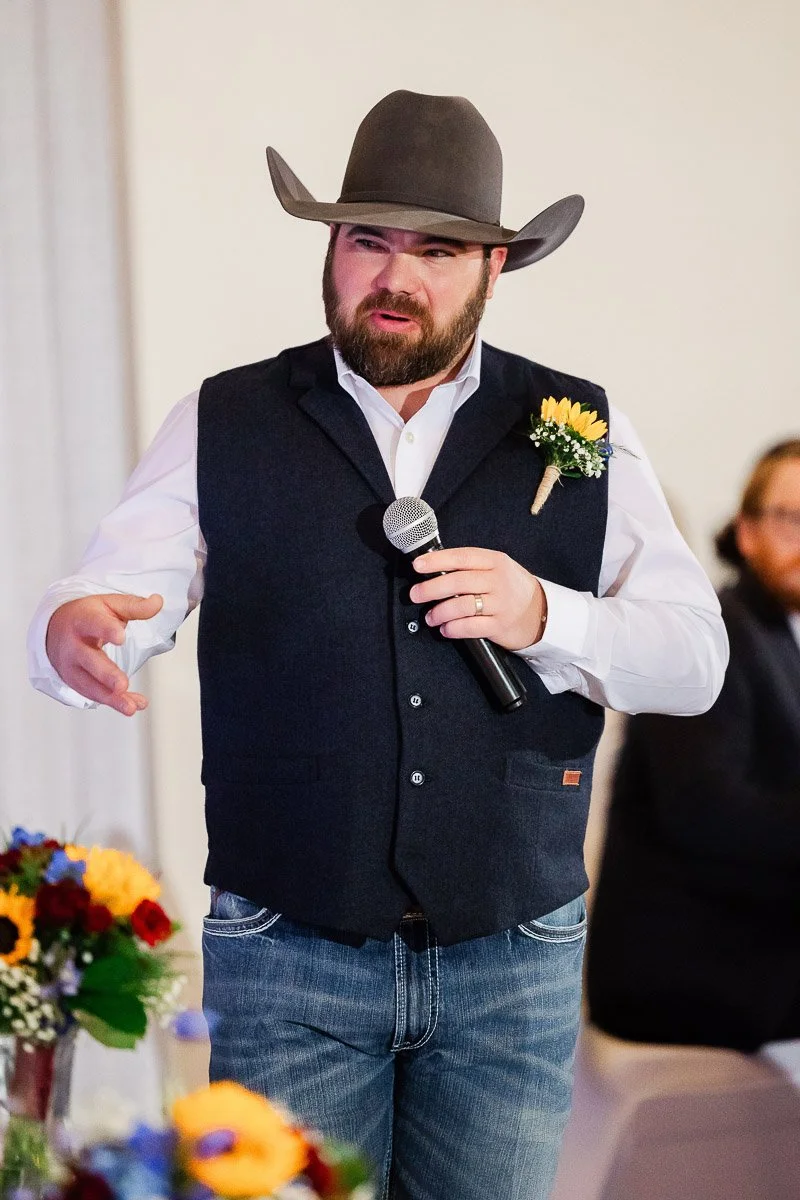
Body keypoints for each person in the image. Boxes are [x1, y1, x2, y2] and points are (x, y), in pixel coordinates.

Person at [28, 90, 727, 1200]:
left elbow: (694, 664)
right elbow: (120, 591)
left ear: (495, 267)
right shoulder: (224, 418)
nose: (393, 277)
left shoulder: (581, 426)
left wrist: (548, 615)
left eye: (436, 249)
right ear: (331, 248)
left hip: (513, 956)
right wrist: (77, 626)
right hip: (286, 945)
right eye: (367, 241)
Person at [587, 439, 800, 1055]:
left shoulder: (781, 635)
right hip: (689, 961)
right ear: (747, 532)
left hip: (757, 941)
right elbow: (708, 815)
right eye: (791, 518)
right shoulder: (720, 633)